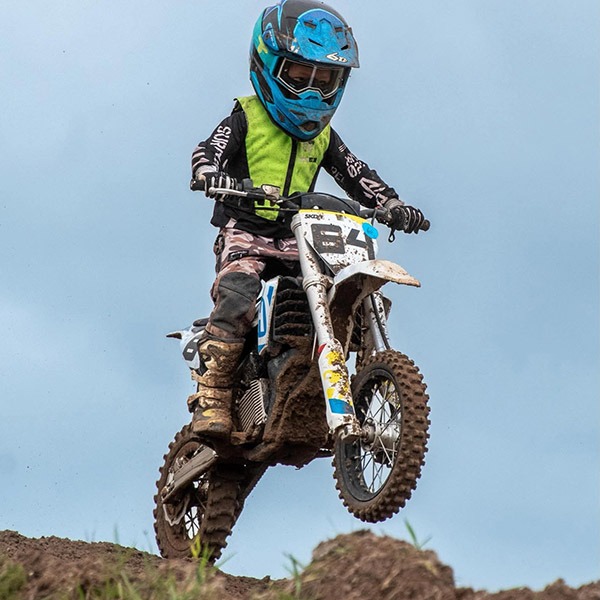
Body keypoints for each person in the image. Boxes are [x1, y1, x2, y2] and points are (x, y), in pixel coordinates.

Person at [188, 0, 426, 439]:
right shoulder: (246, 117)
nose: (313, 92)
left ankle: (356, 380)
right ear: (268, 67)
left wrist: (391, 204)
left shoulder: (324, 137)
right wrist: (209, 174)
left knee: (346, 292)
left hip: (302, 238)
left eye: (325, 80)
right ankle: (214, 394)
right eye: (299, 77)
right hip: (247, 232)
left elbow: (356, 173)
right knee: (238, 294)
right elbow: (209, 150)